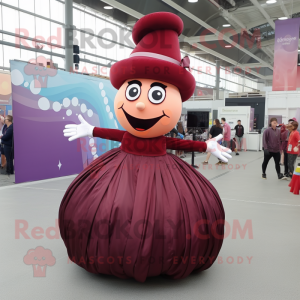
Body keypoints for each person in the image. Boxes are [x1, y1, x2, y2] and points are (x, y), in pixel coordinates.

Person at [59, 12, 232, 282]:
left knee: (175, 209)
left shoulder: (161, 138)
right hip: (122, 163)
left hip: (163, 168)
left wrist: (204, 146)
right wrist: (90, 129)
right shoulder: (130, 133)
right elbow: (118, 134)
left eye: (156, 94)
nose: (140, 104)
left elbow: (174, 142)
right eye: (133, 91)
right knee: (103, 204)